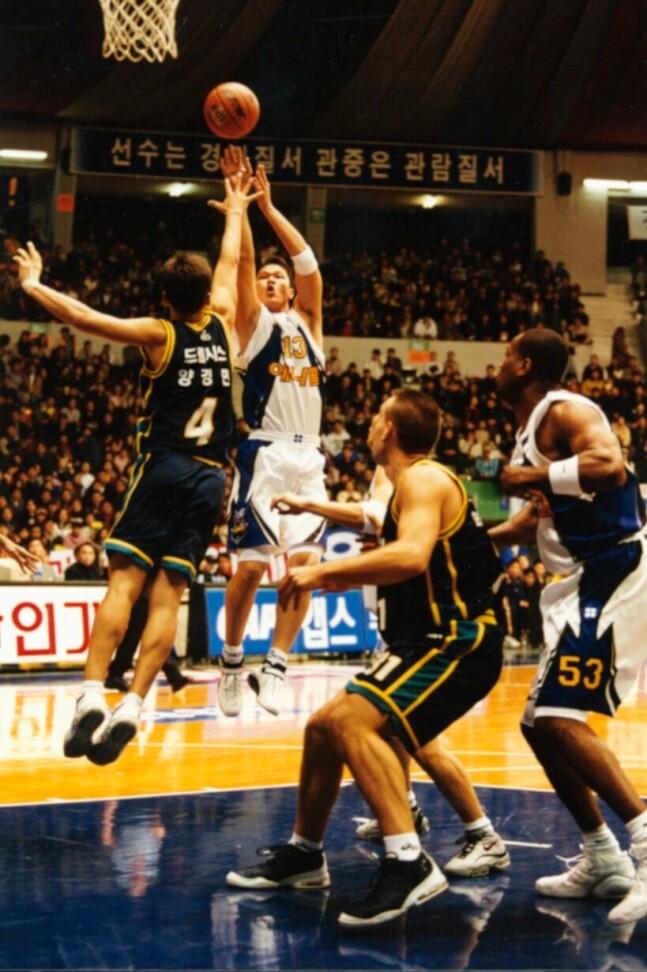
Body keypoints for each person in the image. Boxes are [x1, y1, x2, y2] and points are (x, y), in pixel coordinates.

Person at [226, 390, 504, 927]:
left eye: (377, 418)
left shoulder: (423, 478)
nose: (370, 425)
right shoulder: (409, 487)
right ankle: (305, 854)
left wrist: (321, 572)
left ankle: (408, 861)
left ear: (390, 430)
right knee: (322, 727)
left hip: (456, 640)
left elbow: (412, 556)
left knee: (354, 722)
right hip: (424, 641)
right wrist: (323, 531)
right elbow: (392, 538)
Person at [13, 171, 255, 765]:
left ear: (166, 298)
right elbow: (229, 263)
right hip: (211, 477)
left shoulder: (158, 334)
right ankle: (135, 704)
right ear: (205, 294)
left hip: (164, 465)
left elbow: (84, 318)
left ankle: (92, 694)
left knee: (123, 584)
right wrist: (236, 211)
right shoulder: (224, 321)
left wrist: (34, 285)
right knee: (169, 596)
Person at [272, 464, 509, 879]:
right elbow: (379, 525)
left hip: (428, 634)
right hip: (402, 629)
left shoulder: (415, 478)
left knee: (414, 740)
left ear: (388, 432)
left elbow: (382, 525)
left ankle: (479, 835)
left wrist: (311, 509)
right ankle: (405, 810)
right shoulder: (401, 481)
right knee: (380, 730)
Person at [490, 326, 647, 926]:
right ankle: (602, 854)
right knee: (538, 726)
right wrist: (460, 545)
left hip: (613, 568)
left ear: (525, 365)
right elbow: (533, 522)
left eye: (507, 355)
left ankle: (643, 842)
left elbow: (610, 464)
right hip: (581, 576)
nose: (500, 364)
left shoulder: (564, 409)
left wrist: (529, 477)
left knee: (559, 718)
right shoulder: (532, 429)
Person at [216, 147, 327, 718]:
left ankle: (277, 664)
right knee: (253, 568)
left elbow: (308, 264)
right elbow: (243, 263)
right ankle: (232, 660)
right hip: (264, 453)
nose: (272, 279)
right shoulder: (253, 325)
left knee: (304, 568)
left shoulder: (309, 323)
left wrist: (270, 208)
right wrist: (242, 211)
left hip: (310, 460)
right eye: (265, 277)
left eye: (278, 277)